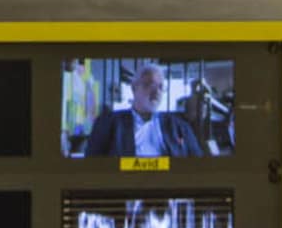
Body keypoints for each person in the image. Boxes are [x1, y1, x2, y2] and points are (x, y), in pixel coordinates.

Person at [78, 61, 209, 159]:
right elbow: (92, 166)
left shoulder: (179, 126)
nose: (156, 92)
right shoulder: (108, 123)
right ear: (134, 88)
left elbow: (197, 165)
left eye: (161, 87)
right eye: (149, 85)